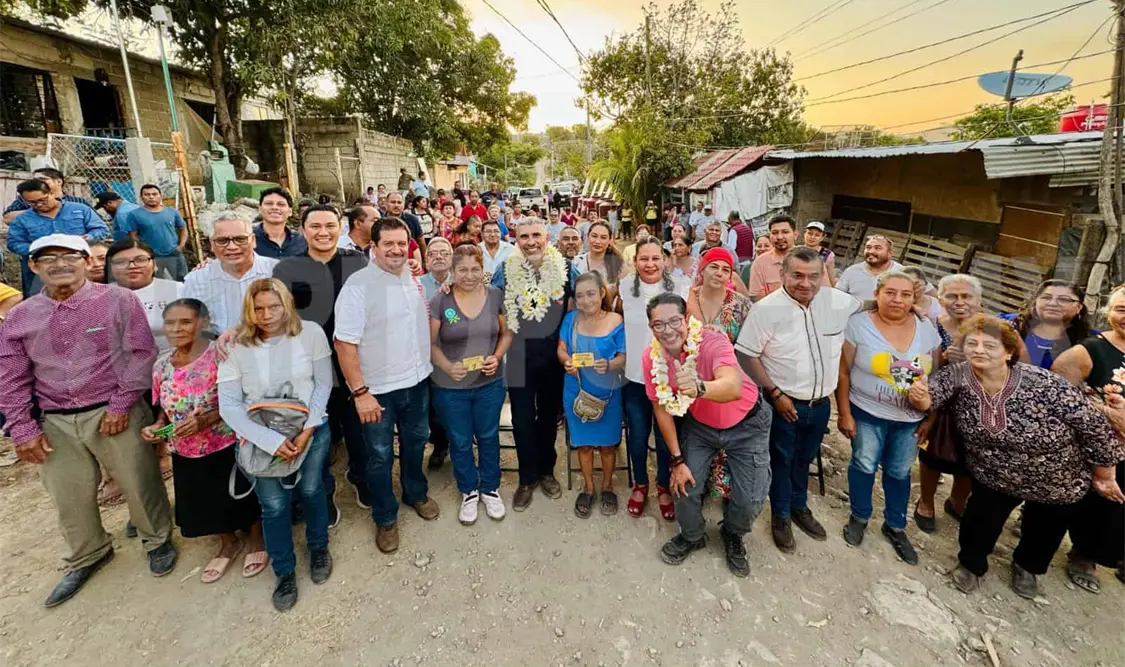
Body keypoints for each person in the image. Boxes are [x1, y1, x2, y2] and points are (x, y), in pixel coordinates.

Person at [0, 234, 174, 607]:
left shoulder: (118, 300)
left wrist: (120, 405)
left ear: (86, 261)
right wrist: (22, 427)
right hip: (54, 418)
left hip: (114, 408)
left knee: (139, 480)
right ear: (33, 266)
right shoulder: (20, 316)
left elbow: (141, 353)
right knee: (69, 493)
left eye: (69, 256)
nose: (60, 264)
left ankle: (157, 539)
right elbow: (11, 376)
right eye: (48, 258)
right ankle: (88, 553)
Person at [908, 314, 1125, 599]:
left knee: (1045, 527)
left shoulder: (1044, 382)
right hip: (992, 470)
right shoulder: (958, 374)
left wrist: (1105, 474)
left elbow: (1093, 425)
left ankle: (1027, 567)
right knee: (980, 520)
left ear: (1009, 352)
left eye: (990, 345)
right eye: (972, 344)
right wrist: (920, 395)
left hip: (1057, 475)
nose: (979, 350)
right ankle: (971, 564)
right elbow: (930, 397)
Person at [737, 246, 866, 553]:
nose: (805, 283)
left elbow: (870, 304)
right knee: (781, 461)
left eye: (813, 276)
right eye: (797, 275)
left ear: (823, 276)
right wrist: (774, 393)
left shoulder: (835, 301)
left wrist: (914, 305)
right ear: (783, 274)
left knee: (804, 459)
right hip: (784, 405)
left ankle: (799, 506)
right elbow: (746, 354)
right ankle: (781, 516)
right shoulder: (766, 310)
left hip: (820, 406)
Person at [217, 279, 334, 611]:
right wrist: (269, 440)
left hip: (310, 427)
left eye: (274, 306)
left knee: (311, 489)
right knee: (273, 505)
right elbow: (229, 405)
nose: (267, 315)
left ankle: (319, 547)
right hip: (260, 436)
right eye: (259, 308)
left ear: (287, 304)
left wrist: (308, 429)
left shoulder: (310, 333)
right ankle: (284, 570)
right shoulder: (235, 346)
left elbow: (323, 383)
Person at [335, 217, 440, 554]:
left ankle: (415, 493)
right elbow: (344, 344)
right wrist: (360, 393)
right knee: (379, 456)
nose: (396, 250)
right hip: (376, 391)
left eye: (401, 243)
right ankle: (385, 517)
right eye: (388, 244)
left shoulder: (413, 277)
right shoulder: (358, 286)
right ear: (374, 247)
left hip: (417, 382)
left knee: (415, 443)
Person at [645, 293, 770, 577]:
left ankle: (733, 533)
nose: (668, 330)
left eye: (675, 321)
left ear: (687, 320)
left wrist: (700, 387)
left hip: (747, 426)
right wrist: (677, 461)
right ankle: (692, 535)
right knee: (683, 485)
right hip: (700, 427)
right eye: (658, 324)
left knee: (750, 498)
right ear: (651, 328)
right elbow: (661, 410)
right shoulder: (651, 357)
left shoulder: (712, 341)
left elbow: (733, 386)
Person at [144, 298, 266, 583]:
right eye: (170, 323)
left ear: (203, 323)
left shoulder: (222, 355)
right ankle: (228, 543)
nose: (176, 329)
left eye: (185, 322)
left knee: (243, 492)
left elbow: (247, 397)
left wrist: (207, 419)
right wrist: (158, 428)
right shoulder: (161, 366)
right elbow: (163, 408)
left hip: (227, 441)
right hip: (186, 448)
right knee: (205, 497)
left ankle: (257, 539)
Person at [836, 270, 942, 564]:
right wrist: (844, 413)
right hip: (867, 412)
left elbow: (937, 378)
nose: (898, 300)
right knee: (864, 463)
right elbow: (843, 372)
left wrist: (931, 417)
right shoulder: (858, 324)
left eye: (906, 295)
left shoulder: (926, 327)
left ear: (914, 298)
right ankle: (859, 516)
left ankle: (895, 525)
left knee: (899, 471)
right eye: (890, 293)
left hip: (910, 419)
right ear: (877, 294)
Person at [272, 204, 370, 519]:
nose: (323, 232)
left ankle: (360, 477)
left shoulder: (357, 262)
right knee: (316, 432)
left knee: (359, 429)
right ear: (303, 230)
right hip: (309, 366)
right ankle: (323, 493)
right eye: (315, 226)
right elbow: (279, 316)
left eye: (330, 226)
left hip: (352, 362)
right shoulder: (287, 268)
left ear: (341, 228)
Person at [492, 217, 572, 511]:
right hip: (518, 356)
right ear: (516, 239)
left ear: (546, 237)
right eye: (524, 236)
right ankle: (527, 478)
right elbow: (488, 299)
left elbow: (584, 296)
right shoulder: (505, 269)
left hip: (552, 356)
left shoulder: (565, 267)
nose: (531, 242)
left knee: (549, 418)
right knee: (522, 419)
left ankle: (547, 472)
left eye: (536, 235)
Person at [1050, 284, 1125, 593]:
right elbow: (1057, 391)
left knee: (1113, 505)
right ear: (1108, 313)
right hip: (1091, 441)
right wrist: (1106, 412)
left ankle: (1090, 553)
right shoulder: (1090, 349)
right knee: (1075, 498)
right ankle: (1052, 549)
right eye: (1121, 309)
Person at [430, 244, 512, 524]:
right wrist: (446, 366)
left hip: (490, 383)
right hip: (450, 388)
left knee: (488, 436)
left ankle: (490, 487)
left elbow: (506, 332)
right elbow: (430, 344)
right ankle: (468, 490)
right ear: (452, 271)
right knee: (460, 440)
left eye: (475, 269)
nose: (469, 275)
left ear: (483, 269)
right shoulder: (441, 301)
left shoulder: (495, 295)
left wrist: (497, 356)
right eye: (462, 269)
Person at [619, 238, 690, 520]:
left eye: (655, 258)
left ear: (665, 260)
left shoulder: (681, 287)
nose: (650, 264)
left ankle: (663, 485)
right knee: (637, 436)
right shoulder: (624, 287)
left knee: (664, 438)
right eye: (643, 259)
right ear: (635, 262)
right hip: (635, 378)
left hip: (669, 380)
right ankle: (640, 484)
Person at [913, 274, 984, 533]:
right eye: (952, 296)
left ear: (978, 300)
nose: (959, 302)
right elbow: (916, 364)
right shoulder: (929, 325)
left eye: (967, 296)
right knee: (932, 453)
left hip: (978, 405)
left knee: (971, 458)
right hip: (938, 403)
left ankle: (957, 501)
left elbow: (1014, 363)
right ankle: (926, 501)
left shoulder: (991, 328)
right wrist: (942, 358)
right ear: (940, 299)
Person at [559, 272, 626, 517]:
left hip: (608, 393)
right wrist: (566, 361)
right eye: (580, 296)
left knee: (608, 446)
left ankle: (607, 486)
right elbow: (561, 348)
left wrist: (610, 364)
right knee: (584, 445)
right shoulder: (570, 319)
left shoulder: (616, 320)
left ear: (601, 293)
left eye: (590, 294)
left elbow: (623, 356)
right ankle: (588, 487)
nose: (586, 300)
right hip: (576, 390)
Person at [8, 178, 109, 297]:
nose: (39, 205)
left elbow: (101, 229)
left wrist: (86, 239)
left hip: (79, 264)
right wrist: (37, 249)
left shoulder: (80, 209)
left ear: (51, 193)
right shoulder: (22, 219)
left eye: (42, 200)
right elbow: (14, 243)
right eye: (32, 203)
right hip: (44, 269)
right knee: (42, 300)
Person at [182, 213, 278, 333]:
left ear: (253, 240)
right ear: (212, 244)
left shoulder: (277, 273)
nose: (232, 247)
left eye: (241, 239)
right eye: (222, 240)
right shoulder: (196, 280)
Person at [106, 239, 184, 354]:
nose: (132, 266)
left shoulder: (178, 290)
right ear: (111, 267)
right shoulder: (99, 297)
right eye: (121, 262)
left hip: (175, 360)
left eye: (140, 260)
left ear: (154, 264)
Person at [1000, 280, 1090, 370]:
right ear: (1035, 302)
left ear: (1079, 307)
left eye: (1064, 299)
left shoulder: (1089, 341)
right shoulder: (1008, 323)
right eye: (1046, 297)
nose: (1053, 304)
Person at [749, 215, 826, 300]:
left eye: (785, 232)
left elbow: (825, 293)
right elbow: (757, 298)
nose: (779, 237)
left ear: (795, 234)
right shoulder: (759, 263)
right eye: (774, 233)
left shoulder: (813, 258)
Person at [124, 184, 189, 280]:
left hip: (174, 252)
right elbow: (133, 236)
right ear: (141, 197)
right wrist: (144, 252)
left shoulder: (172, 211)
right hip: (152, 255)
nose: (151, 197)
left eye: (154, 194)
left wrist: (181, 245)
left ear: (160, 196)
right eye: (147, 194)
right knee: (156, 282)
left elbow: (183, 228)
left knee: (183, 280)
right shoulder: (134, 215)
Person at [687, 248, 751, 343]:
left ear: (729, 276)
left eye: (725, 270)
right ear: (702, 270)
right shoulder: (686, 297)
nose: (719, 273)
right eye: (714, 267)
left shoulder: (741, 304)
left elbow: (748, 342)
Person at [836, 235, 903, 300]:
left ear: (890, 253)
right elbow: (837, 297)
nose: (871, 251)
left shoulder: (901, 273)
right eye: (868, 247)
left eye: (878, 248)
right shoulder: (852, 271)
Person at [252, 187, 307, 259]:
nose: (274, 207)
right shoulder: (248, 240)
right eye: (269, 203)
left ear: (290, 212)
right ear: (260, 209)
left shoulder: (302, 241)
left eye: (281, 204)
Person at [573, 221, 625, 292]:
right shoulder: (576, 262)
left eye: (603, 237)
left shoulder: (619, 265)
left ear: (610, 240)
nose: (597, 241)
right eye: (594, 236)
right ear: (587, 236)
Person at [802, 221, 836, 287]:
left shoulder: (828, 255)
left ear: (822, 237)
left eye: (817, 235)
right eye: (809, 233)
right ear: (804, 233)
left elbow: (831, 279)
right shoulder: (795, 251)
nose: (812, 237)